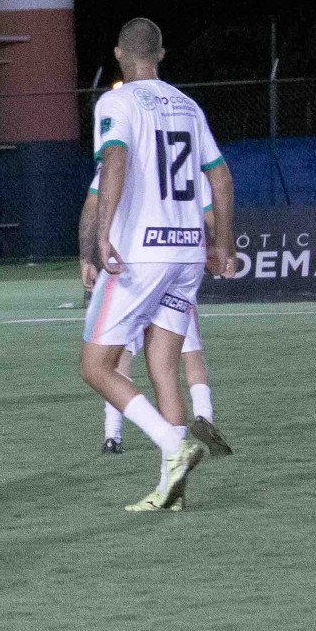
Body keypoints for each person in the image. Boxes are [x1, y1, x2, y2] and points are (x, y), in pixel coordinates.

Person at [78, 18, 235, 512]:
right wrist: (223, 245)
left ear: (118, 53)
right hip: (186, 251)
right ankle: (172, 489)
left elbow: (115, 160)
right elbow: (221, 178)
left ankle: (172, 444)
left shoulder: (117, 102)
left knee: (96, 366)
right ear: (161, 54)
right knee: (165, 366)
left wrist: (102, 236)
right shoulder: (188, 105)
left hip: (141, 255)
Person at [79, 167, 230, 456]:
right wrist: (222, 247)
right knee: (177, 361)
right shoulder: (191, 158)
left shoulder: (126, 154)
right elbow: (217, 194)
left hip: (135, 267)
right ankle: (203, 416)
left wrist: (88, 255)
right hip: (180, 263)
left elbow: (95, 201)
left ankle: (114, 434)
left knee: (108, 361)